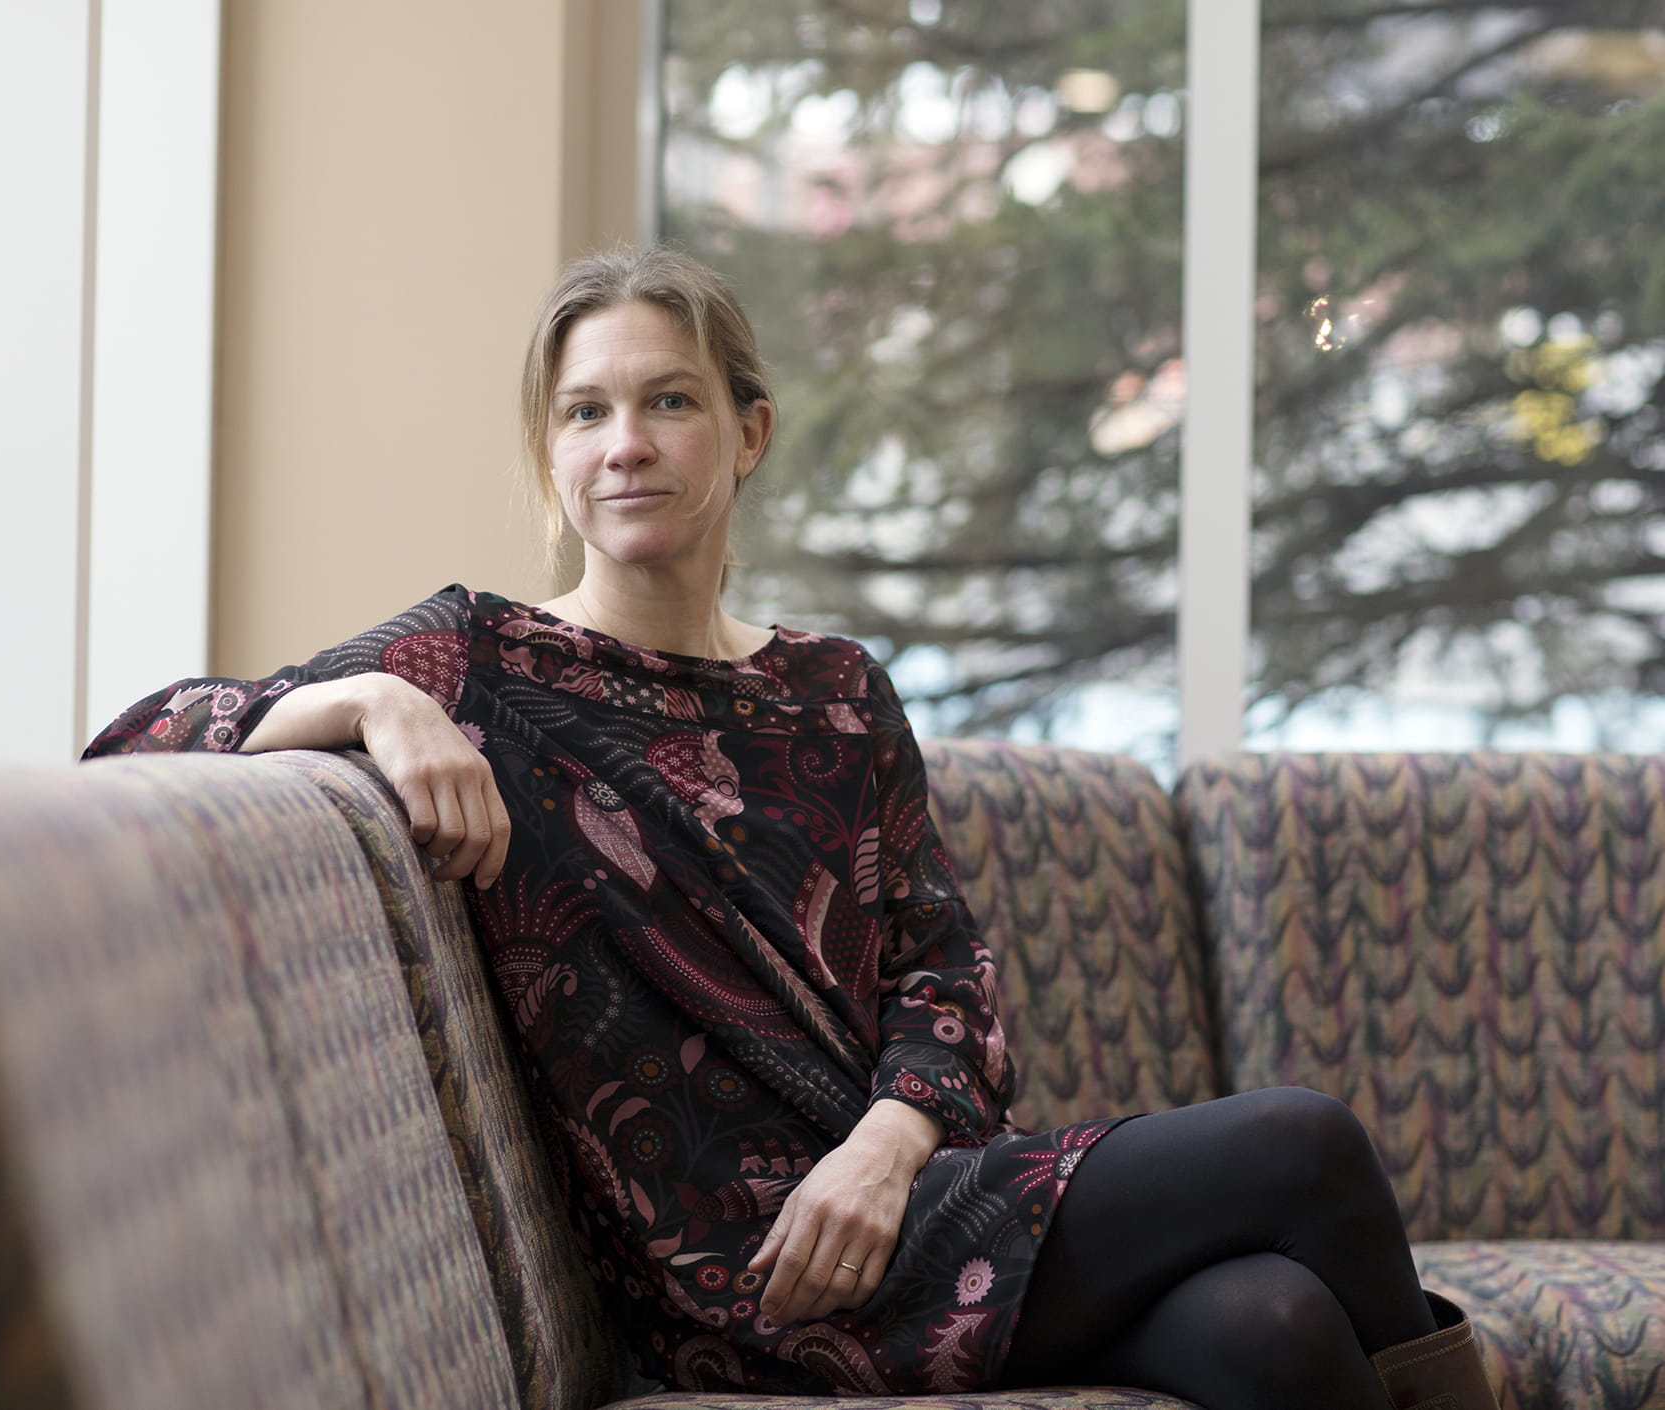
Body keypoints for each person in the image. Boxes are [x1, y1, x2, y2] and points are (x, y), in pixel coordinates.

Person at [85, 248, 1496, 1409]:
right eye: (585, 413)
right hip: (735, 1268)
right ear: (549, 452)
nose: (625, 444)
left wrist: (885, 1150)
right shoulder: (480, 662)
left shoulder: (834, 690)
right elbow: (134, 740)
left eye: (669, 401)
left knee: (1277, 1330)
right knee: (1304, 1144)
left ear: (748, 431)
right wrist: (376, 703)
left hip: (902, 1197)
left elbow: (950, 979)